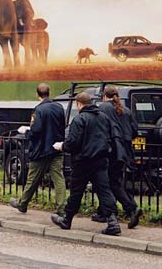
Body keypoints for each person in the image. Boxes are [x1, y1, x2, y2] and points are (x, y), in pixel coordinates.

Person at [50, 92, 122, 236]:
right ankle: (113, 221)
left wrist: (62, 146)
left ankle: (67, 219)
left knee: (76, 191)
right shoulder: (103, 117)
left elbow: (73, 143)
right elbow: (111, 136)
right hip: (101, 160)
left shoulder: (79, 119)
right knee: (104, 191)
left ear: (78, 104)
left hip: (82, 161)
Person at [9, 83, 66, 214]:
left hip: (41, 150)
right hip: (56, 149)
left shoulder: (38, 110)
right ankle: (61, 208)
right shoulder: (59, 107)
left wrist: (26, 132)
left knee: (32, 179)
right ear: (49, 93)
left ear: (37, 94)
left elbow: (36, 131)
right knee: (59, 179)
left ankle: (22, 204)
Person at [93, 85, 143, 229]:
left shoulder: (102, 108)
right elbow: (134, 131)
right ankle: (104, 212)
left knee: (108, 183)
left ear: (104, 96)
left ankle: (131, 208)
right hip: (124, 152)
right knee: (113, 181)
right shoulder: (126, 110)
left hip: (109, 151)